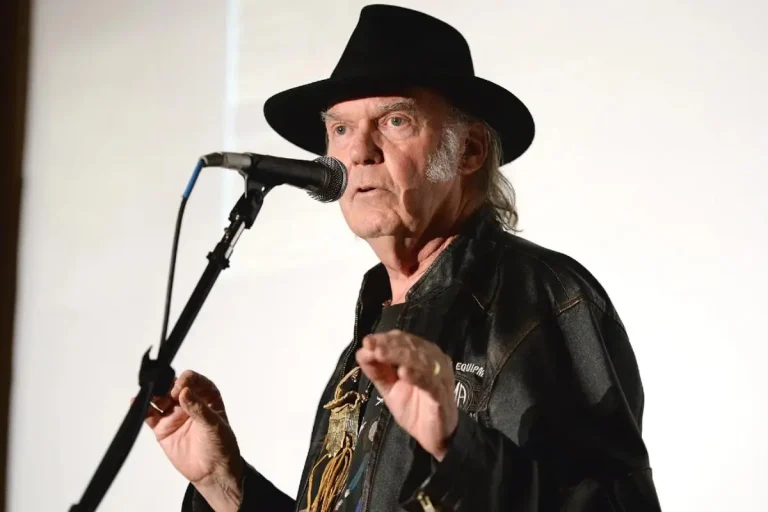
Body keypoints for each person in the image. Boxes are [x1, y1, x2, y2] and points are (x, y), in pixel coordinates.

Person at [143, 5, 662, 511]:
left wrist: (456, 446)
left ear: (470, 150)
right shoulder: (373, 327)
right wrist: (224, 484)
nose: (359, 151)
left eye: (394, 120)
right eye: (340, 129)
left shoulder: (538, 299)